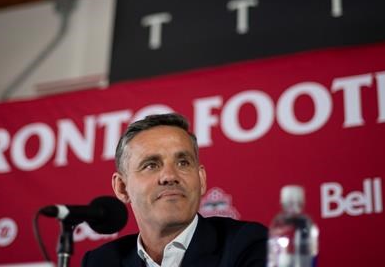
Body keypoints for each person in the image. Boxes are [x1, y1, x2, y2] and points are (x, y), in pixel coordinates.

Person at [81, 113, 267, 267]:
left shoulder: (249, 244)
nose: (170, 176)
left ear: (201, 179)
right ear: (122, 187)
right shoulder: (101, 262)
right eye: (151, 165)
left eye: (183, 163)